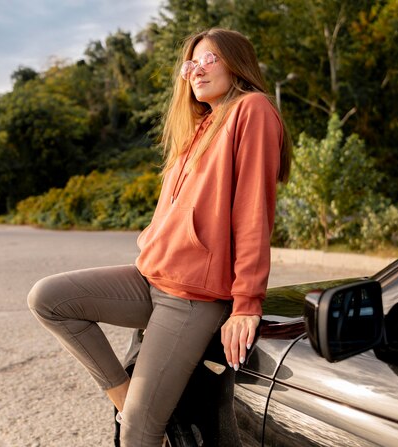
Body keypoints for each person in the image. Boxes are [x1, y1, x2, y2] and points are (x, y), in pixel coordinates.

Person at [27, 27, 292, 447]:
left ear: (237, 63)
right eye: (191, 65)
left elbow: (253, 213)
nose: (197, 70)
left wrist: (246, 304)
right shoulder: (199, 128)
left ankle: (135, 413)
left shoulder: (252, 109)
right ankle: (125, 397)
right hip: (150, 278)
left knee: (136, 433)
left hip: (191, 297)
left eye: (210, 60)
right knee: (48, 298)